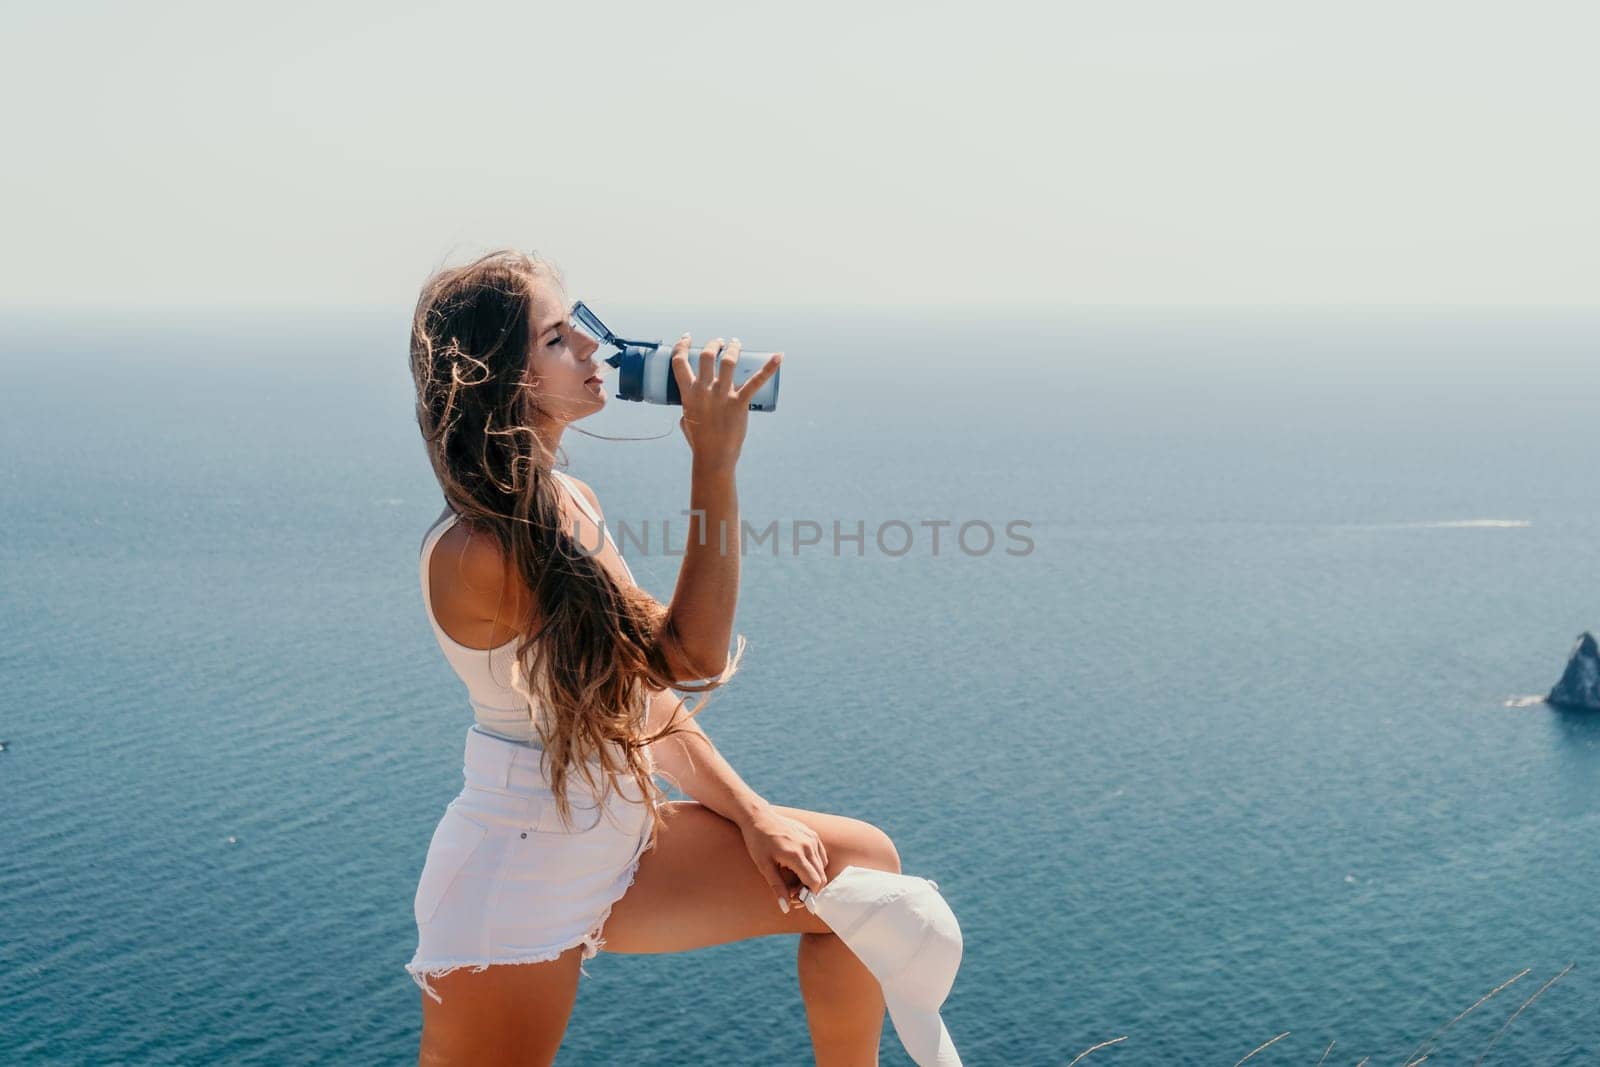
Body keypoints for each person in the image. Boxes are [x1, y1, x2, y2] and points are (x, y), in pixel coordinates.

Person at [404, 249, 904, 1066]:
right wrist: (713, 462)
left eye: (583, 327)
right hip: (518, 872)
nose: (593, 350)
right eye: (559, 338)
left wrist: (753, 812)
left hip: (616, 836)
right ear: (506, 378)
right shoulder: (479, 553)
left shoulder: (570, 501)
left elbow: (637, 699)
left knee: (862, 876)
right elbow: (686, 655)